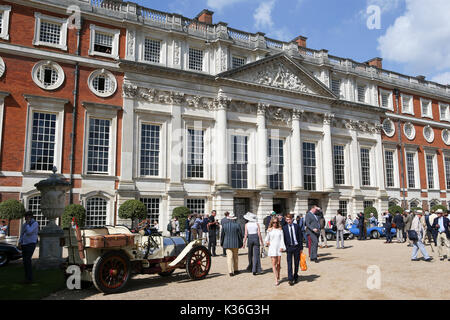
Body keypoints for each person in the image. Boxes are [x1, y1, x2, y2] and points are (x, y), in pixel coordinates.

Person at [282, 214, 303, 286]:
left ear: (292, 219)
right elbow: (284, 238)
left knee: (296, 263)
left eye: (289, 219)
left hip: (296, 247)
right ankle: (290, 279)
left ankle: (296, 276)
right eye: (287, 220)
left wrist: (301, 248)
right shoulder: (284, 228)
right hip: (289, 247)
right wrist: (285, 247)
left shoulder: (297, 226)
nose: (288, 221)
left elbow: (300, 237)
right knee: (289, 263)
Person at [19, 212, 39, 284]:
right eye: (25, 217)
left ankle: (29, 278)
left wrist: (27, 224)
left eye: (26, 217)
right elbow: (22, 233)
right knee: (25, 261)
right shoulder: (25, 224)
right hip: (24, 243)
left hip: (31, 243)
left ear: (30, 217)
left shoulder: (35, 224)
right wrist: (20, 242)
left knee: (27, 260)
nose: (25, 218)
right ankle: (27, 278)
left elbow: (29, 232)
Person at [265, 217, 286, 286]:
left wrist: (282, 247)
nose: (275, 224)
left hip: (279, 247)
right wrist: (267, 242)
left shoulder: (280, 230)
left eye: (276, 222)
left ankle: (278, 274)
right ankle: (276, 279)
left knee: (279, 264)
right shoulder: (269, 230)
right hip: (272, 248)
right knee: (274, 264)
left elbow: (282, 239)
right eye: (274, 222)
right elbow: (266, 239)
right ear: (271, 222)